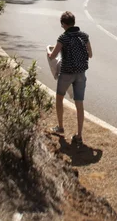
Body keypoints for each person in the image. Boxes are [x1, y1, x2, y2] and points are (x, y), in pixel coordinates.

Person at [48, 11, 92, 144]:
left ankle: (60, 127)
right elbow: (90, 54)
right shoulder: (84, 36)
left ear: (63, 24)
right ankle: (79, 135)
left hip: (66, 73)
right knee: (79, 103)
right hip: (81, 73)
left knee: (59, 98)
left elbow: (53, 56)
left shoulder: (63, 38)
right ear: (74, 22)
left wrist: (48, 51)